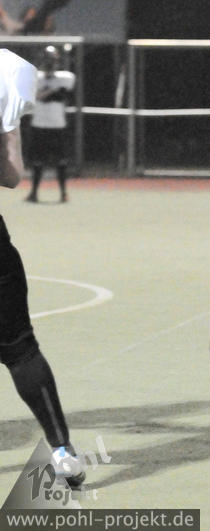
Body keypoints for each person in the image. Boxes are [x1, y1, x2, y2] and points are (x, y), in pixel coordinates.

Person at [1, 48, 84, 486]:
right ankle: (63, 450)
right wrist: (8, 131)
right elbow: (11, 174)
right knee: (19, 349)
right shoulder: (7, 70)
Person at [25, 45, 74, 203]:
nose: (50, 63)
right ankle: (33, 193)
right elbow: (35, 96)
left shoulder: (66, 77)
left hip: (57, 125)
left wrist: (46, 93)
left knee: (61, 161)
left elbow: (61, 96)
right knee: (37, 161)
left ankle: (63, 193)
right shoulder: (35, 77)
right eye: (48, 60)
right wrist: (52, 91)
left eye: (52, 60)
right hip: (39, 124)